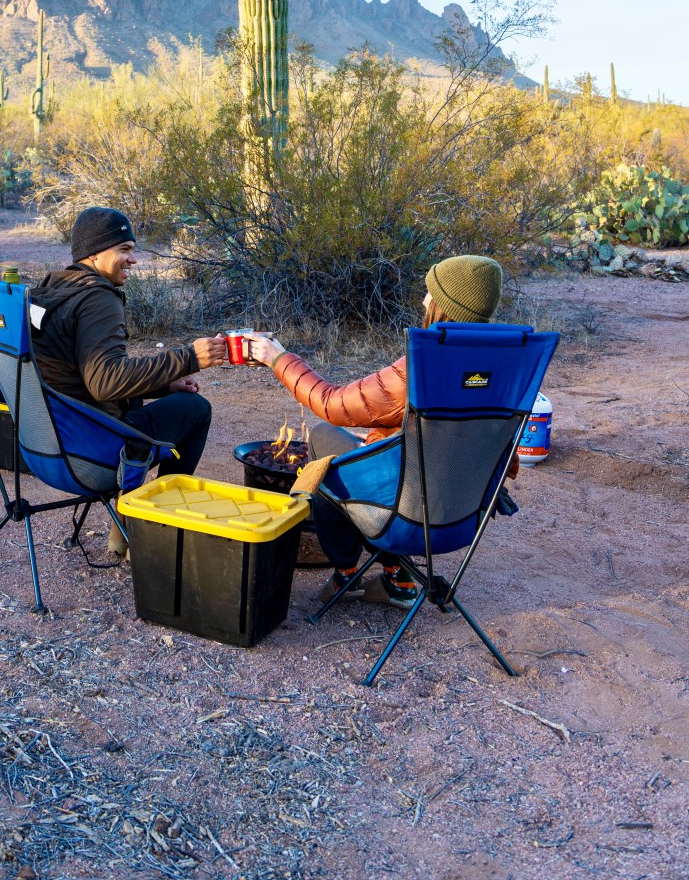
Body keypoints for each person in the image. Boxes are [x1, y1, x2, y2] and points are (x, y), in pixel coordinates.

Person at [244, 255, 504, 608]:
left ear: (444, 306)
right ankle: (396, 577)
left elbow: (332, 404)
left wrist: (278, 358)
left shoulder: (422, 366)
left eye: (430, 294)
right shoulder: (504, 369)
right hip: (462, 516)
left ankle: (348, 572)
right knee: (373, 443)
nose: (423, 301)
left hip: (404, 514)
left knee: (323, 442)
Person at [31, 206, 225, 551]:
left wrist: (164, 384)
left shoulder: (51, 290)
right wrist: (189, 358)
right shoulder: (97, 298)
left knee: (174, 398)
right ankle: (152, 525)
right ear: (94, 253)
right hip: (92, 454)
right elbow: (105, 383)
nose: (133, 259)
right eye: (124, 249)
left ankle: (125, 531)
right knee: (195, 409)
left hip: (44, 446)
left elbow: (85, 373)